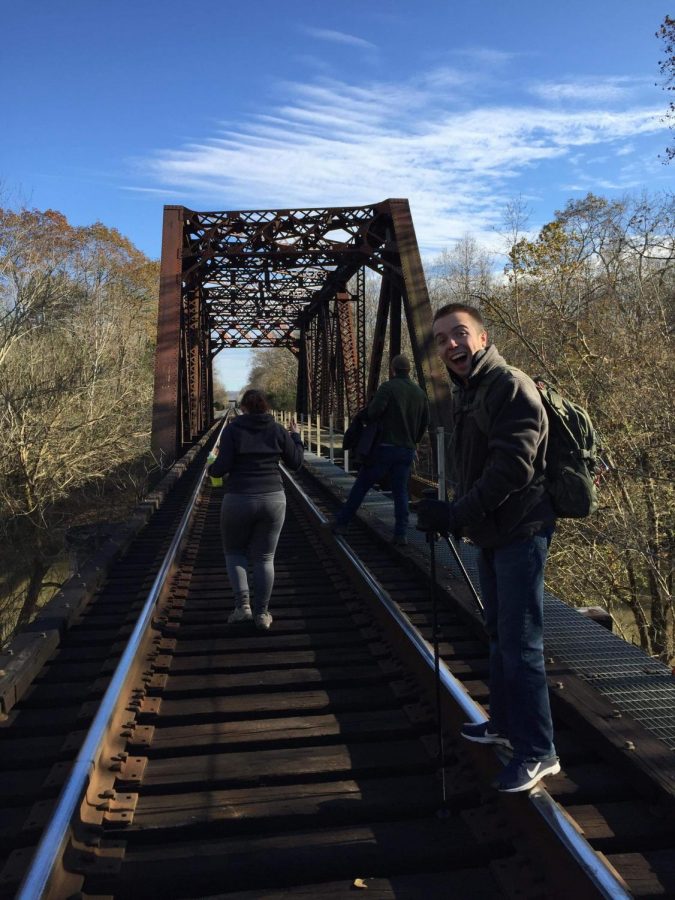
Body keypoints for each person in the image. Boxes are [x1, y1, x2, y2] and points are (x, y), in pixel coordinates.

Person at [416, 303, 559, 793]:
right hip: (495, 531)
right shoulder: (471, 389)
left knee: (521, 643)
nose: (450, 344)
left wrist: (457, 515)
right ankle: (503, 722)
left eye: (459, 334)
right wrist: (457, 511)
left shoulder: (509, 385)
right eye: (441, 339)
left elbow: (512, 469)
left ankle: (539, 751)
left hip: (522, 529)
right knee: (498, 631)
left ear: (483, 337)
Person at [208, 389, 303, 631]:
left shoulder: (233, 430)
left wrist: (213, 465)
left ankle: (243, 608)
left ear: (244, 408)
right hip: (274, 499)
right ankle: (262, 614)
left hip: (238, 498)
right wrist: (296, 437)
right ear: (266, 407)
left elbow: (220, 470)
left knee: (235, 552)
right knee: (265, 557)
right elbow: (296, 463)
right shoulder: (278, 430)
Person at [333, 354, 429, 545]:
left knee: (361, 485)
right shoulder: (420, 393)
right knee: (401, 492)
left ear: (393, 370)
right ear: (409, 370)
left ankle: (342, 524)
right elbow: (424, 424)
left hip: (384, 448)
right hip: (406, 450)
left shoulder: (388, 387)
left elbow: (374, 412)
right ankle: (401, 534)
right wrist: (413, 441)